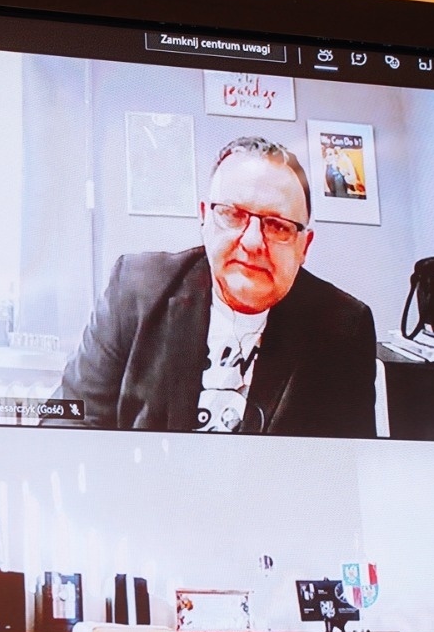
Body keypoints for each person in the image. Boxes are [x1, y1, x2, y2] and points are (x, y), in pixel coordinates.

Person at [57, 136, 376, 437]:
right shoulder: (135, 288)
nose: (253, 242)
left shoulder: (344, 327)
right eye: (233, 214)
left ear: (304, 246)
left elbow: (345, 462)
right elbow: (69, 419)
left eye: (278, 226)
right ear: (204, 219)